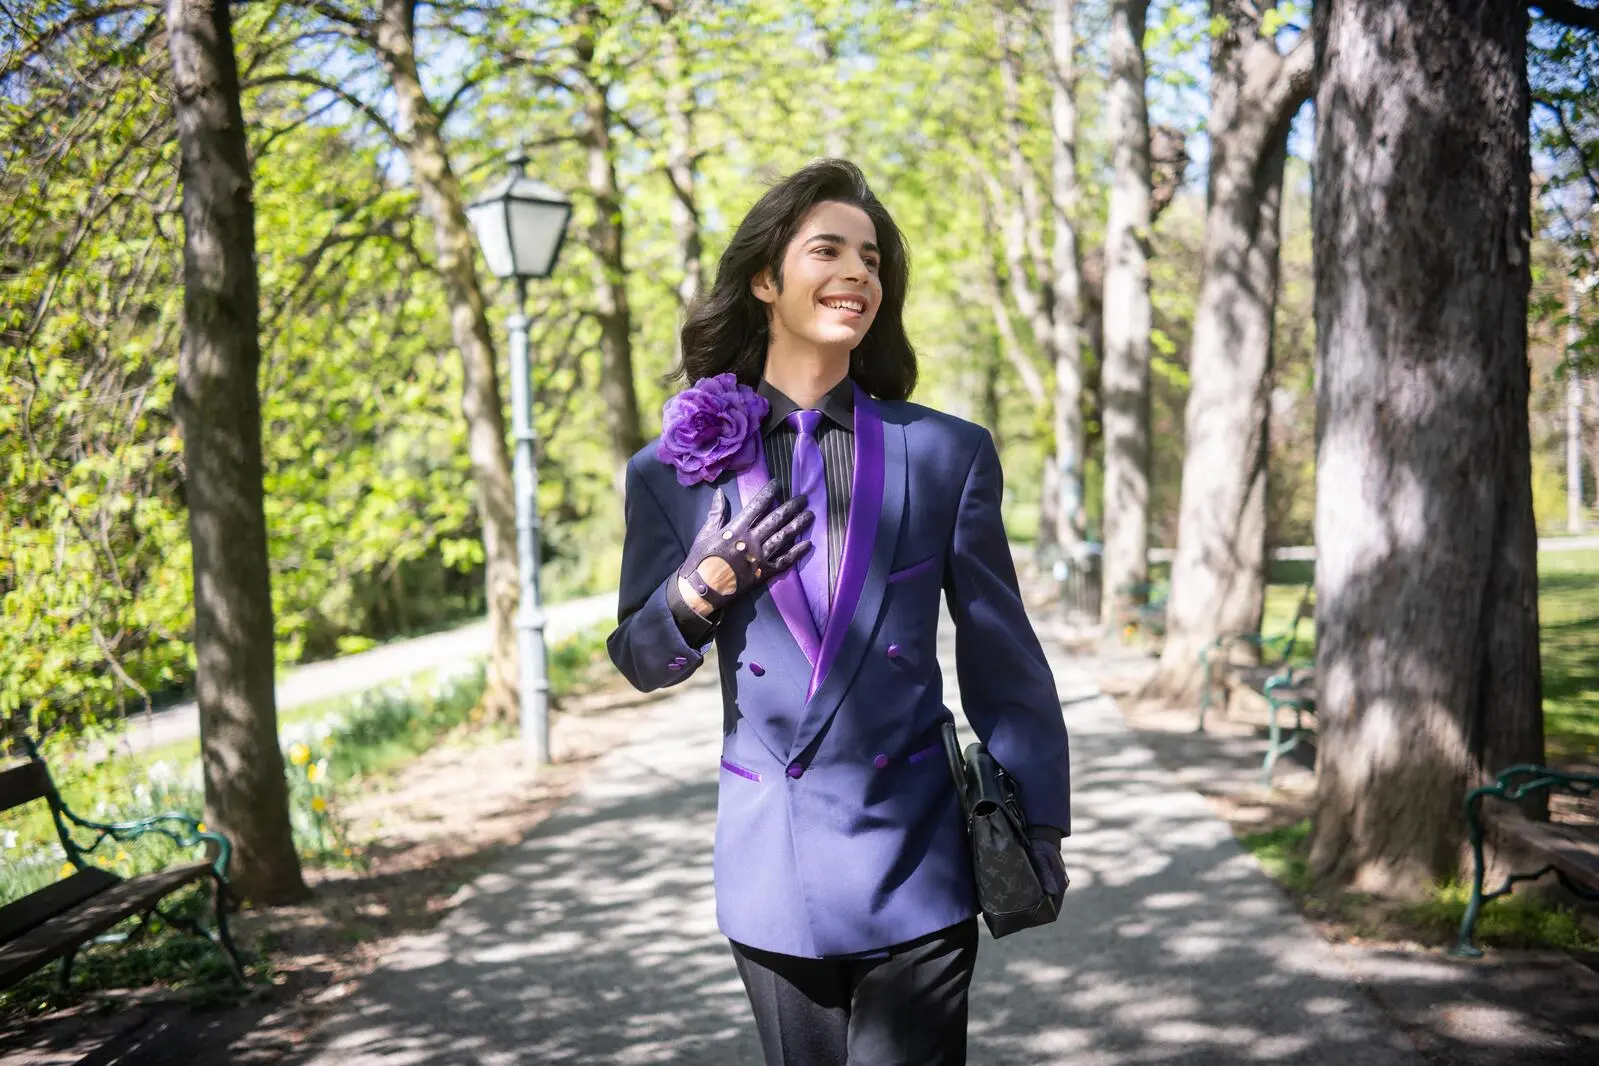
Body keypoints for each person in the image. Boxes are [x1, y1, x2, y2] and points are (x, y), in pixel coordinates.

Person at [606, 158, 1070, 1066]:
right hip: (770, 862)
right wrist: (700, 590)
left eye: (872, 257)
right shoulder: (670, 467)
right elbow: (639, 656)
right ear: (765, 279)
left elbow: (1000, 650)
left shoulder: (944, 451)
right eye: (828, 249)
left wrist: (1039, 817)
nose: (858, 272)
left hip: (917, 855)